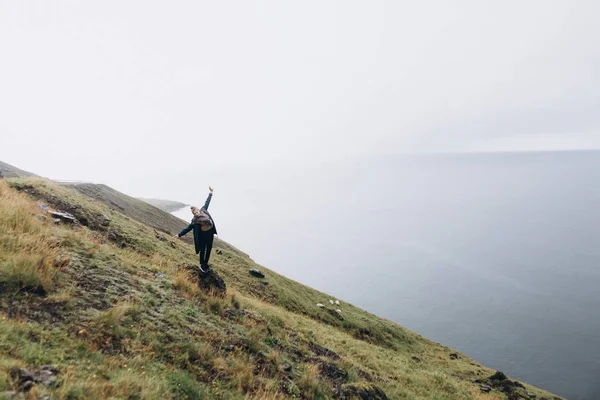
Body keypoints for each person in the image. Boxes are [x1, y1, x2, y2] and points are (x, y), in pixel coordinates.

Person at [175, 187, 217, 273]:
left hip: (210, 234)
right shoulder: (194, 221)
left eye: (196, 212)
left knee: (209, 249)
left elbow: (207, 202)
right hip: (202, 236)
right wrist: (179, 235)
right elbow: (188, 228)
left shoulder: (204, 210)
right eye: (194, 213)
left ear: (198, 210)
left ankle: (206, 264)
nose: (196, 214)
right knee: (203, 250)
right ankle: (202, 265)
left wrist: (211, 193)